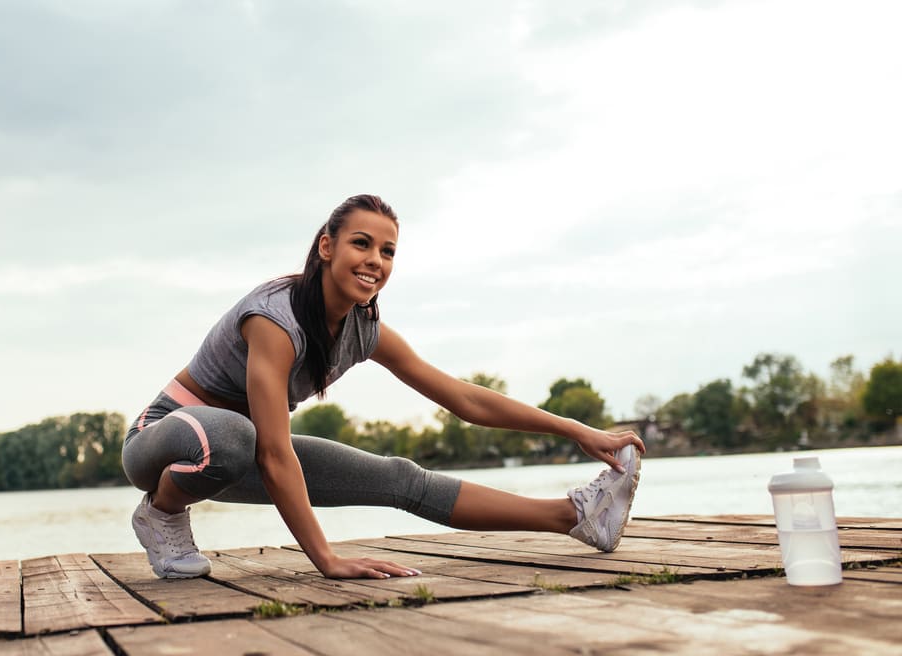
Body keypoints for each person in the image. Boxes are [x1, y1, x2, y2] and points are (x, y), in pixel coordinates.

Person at [121, 194, 645, 580]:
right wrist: (327, 560)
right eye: (361, 244)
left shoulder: (363, 329)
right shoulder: (275, 319)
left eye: (388, 251)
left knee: (400, 478)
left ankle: (575, 517)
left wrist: (578, 430)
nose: (375, 260)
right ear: (326, 247)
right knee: (235, 434)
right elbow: (276, 454)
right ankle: (161, 511)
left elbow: (463, 398)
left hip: (244, 449)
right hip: (162, 440)